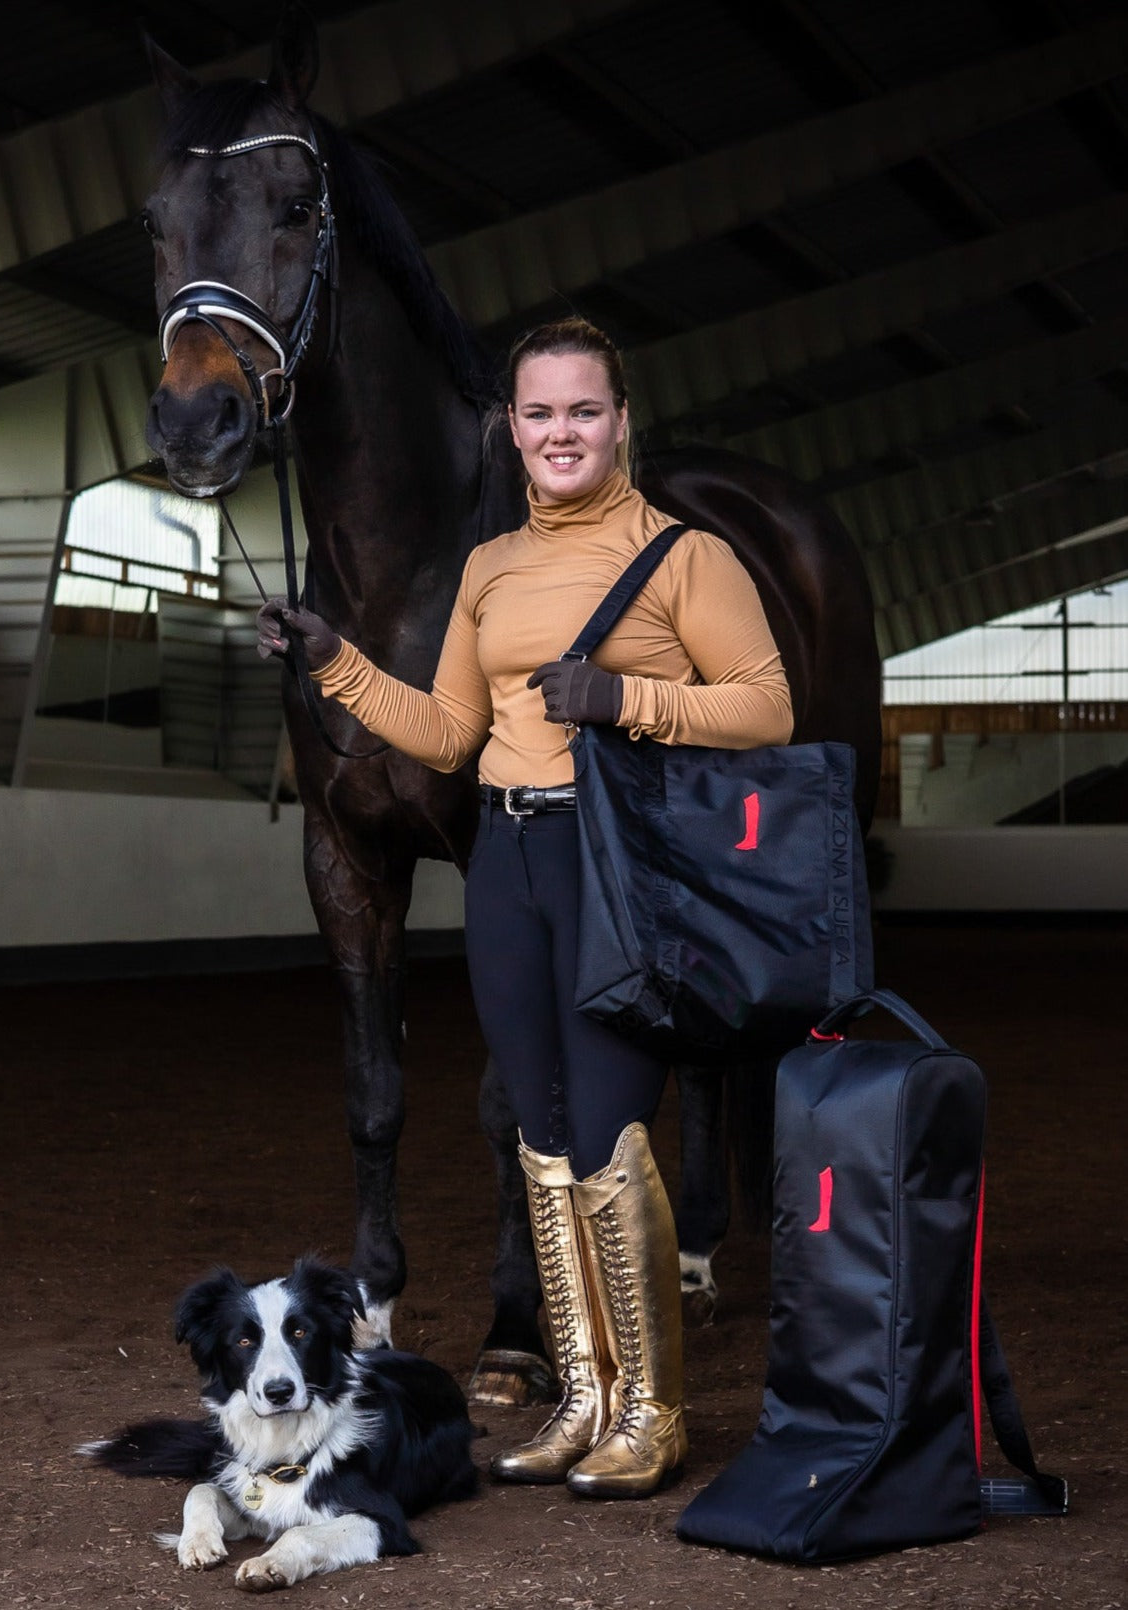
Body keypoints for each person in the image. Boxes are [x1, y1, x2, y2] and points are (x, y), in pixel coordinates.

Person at [256, 317, 793, 1500]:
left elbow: (766, 708)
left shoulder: (683, 557)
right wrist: (336, 659)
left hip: (616, 868)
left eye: (584, 410)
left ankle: (652, 1407)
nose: (562, 431)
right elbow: (451, 731)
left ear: (620, 421)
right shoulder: (491, 567)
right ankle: (584, 1395)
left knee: (607, 1136)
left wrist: (623, 695)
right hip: (509, 859)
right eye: (539, 412)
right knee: (542, 1141)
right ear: (513, 425)